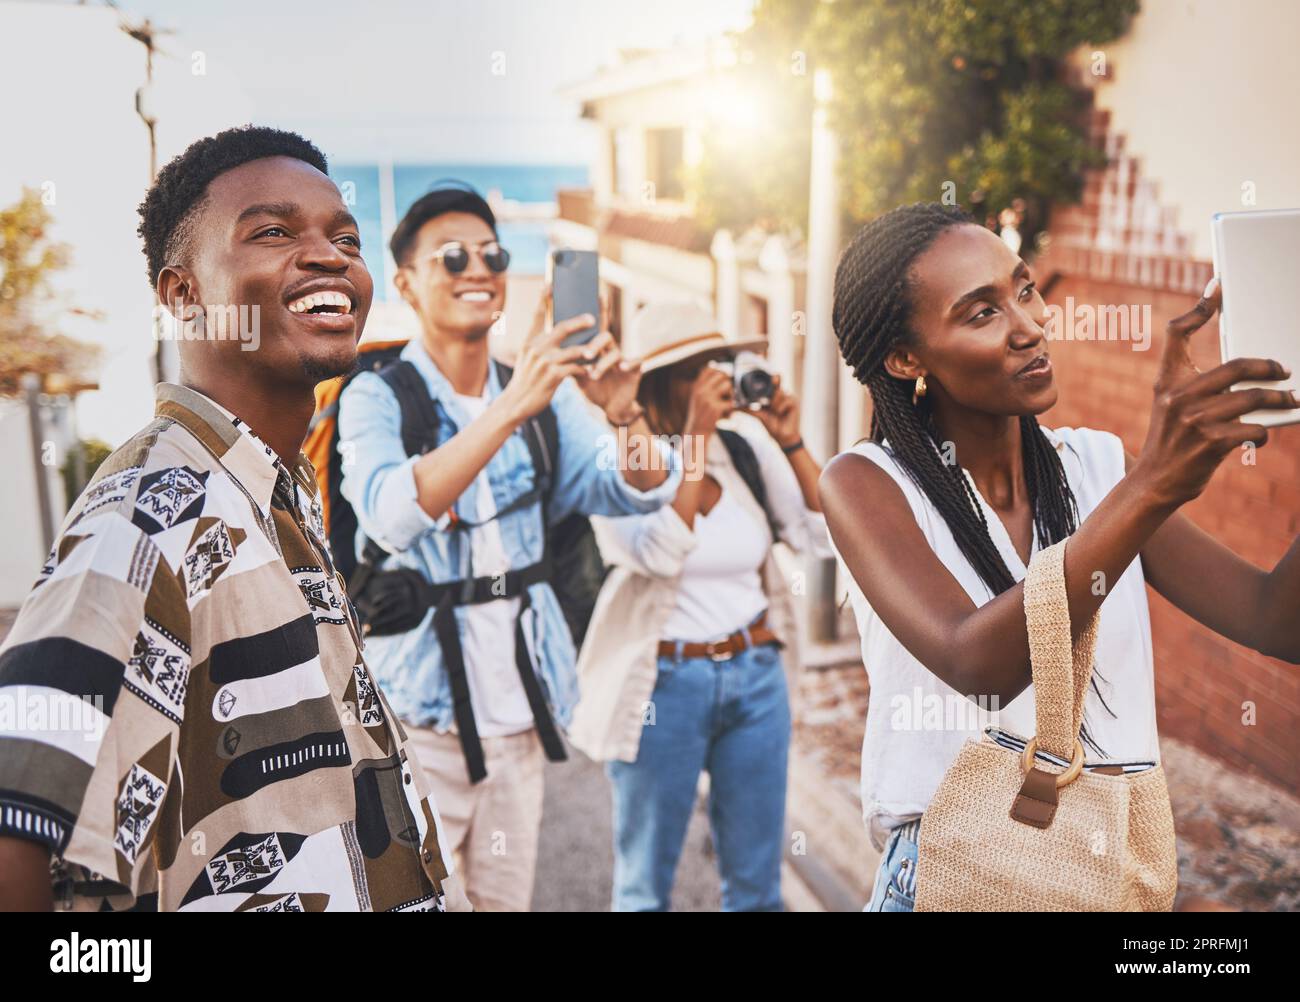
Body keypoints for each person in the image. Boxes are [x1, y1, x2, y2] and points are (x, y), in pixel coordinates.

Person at [0, 126, 463, 912]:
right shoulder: (151, 513)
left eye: (344, 237)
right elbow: (19, 829)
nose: (330, 256)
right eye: (274, 232)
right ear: (182, 294)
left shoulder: (274, 490)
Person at [818, 202, 1300, 912]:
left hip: (1106, 876)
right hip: (958, 876)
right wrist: (1151, 489)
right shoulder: (866, 485)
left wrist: (1141, 487)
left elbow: (1276, 621)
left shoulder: (1101, 467)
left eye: (1024, 289)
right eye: (981, 314)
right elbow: (977, 662)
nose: (1030, 325)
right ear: (906, 358)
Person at [337, 187, 682, 912]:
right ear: (404, 284)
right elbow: (390, 514)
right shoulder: (378, 397)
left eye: (492, 255)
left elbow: (635, 489)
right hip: (417, 726)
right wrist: (509, 405)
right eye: (452, 256)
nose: (479, 268)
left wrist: (624, 413)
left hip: (522, 725)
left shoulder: (546, 397)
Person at [567, 302, 832, 911]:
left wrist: (790, 440)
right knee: (644, 891)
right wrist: (692, 439)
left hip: (756, 674)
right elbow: (659, 552)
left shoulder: (744, 451)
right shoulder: (625, 461)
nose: (720, 378)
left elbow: (824, 534)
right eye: (700, 368)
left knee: (758, 888)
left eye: (723, 363)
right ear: (663, 380)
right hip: (663, 687)